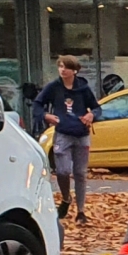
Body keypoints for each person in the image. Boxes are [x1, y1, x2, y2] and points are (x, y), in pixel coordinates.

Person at [31, 54, 102, 222]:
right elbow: (37, 104)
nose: (63, 70)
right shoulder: (54, 87)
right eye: (60, 66)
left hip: (81, 135)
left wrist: (91, 115)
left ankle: (81, 211)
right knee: (62, 171)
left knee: (80, 173)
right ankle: (65, 198)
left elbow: (97, 108)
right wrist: (46, 116)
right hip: (63, 133)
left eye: (66, 67)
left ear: (75, 71)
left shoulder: (83, 88)